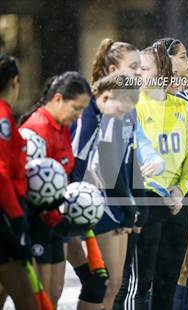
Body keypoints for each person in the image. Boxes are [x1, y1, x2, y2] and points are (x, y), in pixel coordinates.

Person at [86, 38, 163, 310]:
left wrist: (137, 204)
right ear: (112, 70)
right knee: (108, 285)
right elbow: (107, 165)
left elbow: (134, 161)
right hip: (106, 203)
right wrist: (130, 206)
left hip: (123, 202)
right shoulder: (105, 109)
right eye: (133, 67)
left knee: (117, 282)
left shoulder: (128, 109)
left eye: (141, 67)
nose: (138, 73)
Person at [131, 41, 188, 310]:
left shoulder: (180, 106)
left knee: (168, 282)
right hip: (147, 201)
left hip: (176, 204)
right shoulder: (135, 106)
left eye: (144, 67)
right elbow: (132, 153)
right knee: (141, 282)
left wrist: (181, 190)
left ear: (161, 70)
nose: (138, 73)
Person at [20, 71, 92, 308]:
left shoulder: (61, 126)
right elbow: (27, 188)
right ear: (58, 99)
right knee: (38, 300)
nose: (79, 115)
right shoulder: (35, 131)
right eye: (76, 108)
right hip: (35, 224)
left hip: (55, 223)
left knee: (55, 294)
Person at [0, 53, 38, 310]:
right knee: (29, 299)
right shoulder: (2, 117)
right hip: (5, 217)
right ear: (15, 81)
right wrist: (17, 220)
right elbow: (1, 173)